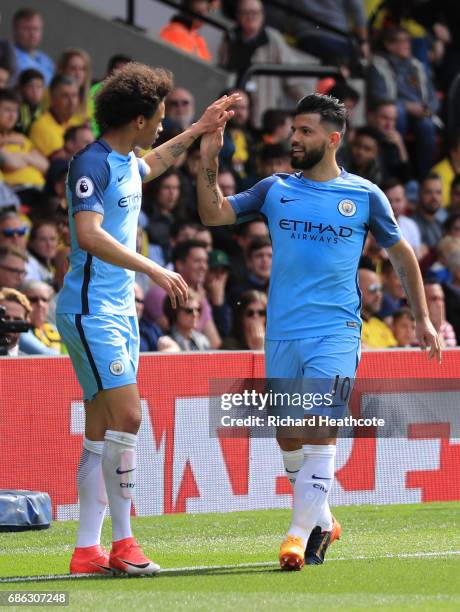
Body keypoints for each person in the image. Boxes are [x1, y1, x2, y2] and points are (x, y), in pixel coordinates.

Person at [197, 92, 440, 571]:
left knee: (320, 422)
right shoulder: (274, 189)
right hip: (283, 333)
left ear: (332, 139)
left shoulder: (365, 195)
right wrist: (209, 158)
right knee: (288, 435)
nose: (294, 139)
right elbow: (214, 214)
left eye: (305, 131)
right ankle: (323, 520)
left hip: (337, 330)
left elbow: (402, 255)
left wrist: (423, 317)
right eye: (293, 130)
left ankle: (296, 533)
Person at [55, 61, 237, 576]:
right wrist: (153, 268)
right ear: (137, 119)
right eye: (158, 117)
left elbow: (153, 163)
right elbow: (88, 234)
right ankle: (125, 543)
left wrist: (199, 129)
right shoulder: (89, 164)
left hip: (115, 314)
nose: (161, 126)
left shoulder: (124, 161)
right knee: (130, 419)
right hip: (91, 311)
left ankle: (87, 550)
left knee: (99, 430)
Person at [29, 75, 80, 158]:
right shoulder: (41, 126)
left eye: (74, 95)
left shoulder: (77, 122)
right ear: (53, 99)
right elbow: (60, 161)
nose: (72, 102)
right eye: (65, 96)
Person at [11, 8, 55, 86]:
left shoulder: (47, 61)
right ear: (15, 31)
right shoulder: (7, 56)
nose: (32, 34)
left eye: (36, 29)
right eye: (26, 29)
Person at [0, 287, 31, 356]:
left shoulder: (29, 364)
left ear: (26, 323)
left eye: (17, 319)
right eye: (5, 318)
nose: (11, 324)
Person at [16, 68, 45, 135]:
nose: (35, 91)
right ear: (21, 88)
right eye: (30, 86)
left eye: (39, 87)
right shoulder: (15, 110)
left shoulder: (45, 112)